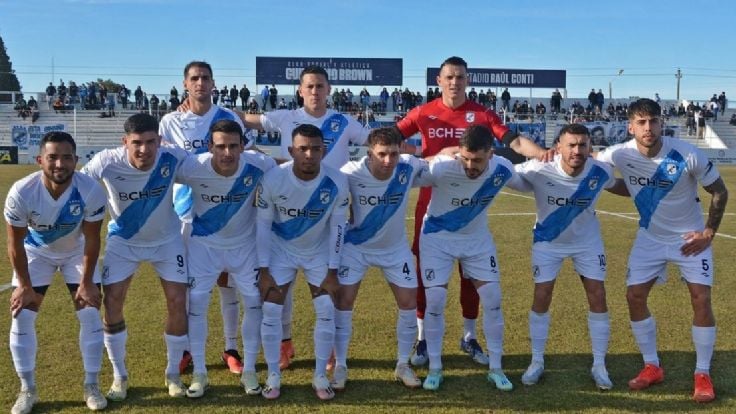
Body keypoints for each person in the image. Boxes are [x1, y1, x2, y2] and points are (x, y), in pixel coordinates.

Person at [395, 56, 549, 368]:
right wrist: (426, 154)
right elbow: (390, 140)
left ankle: (469, 335)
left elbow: (514, 141)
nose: (455, 82)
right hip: (432, 205)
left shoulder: (481, 114)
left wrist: (544, 154)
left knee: (472, 275)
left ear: (468, 80)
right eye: (449, 77)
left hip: (471, 206)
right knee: (428, 279)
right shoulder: (423, 112)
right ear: (438, 81)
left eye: (460, 77)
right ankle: (424, 339)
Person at [596, 98, 729, 403]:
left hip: (689, 239)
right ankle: (652, 365)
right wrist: (605, 183)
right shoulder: (619, 153)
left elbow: (719, 190)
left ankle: (702, 372)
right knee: (634, 296)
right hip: (650, 238)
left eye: (653, 121)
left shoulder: (686, 153)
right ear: (630, 127)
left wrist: (708, 232)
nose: (648, 128)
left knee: (701, 298)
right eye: (641, 122)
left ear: (661, 123)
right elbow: (622, 182)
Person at [240, 65, 369, 369]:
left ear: (329, 90)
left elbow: (374, 141)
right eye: (309, 86)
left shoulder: (343, 121)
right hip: (287, 212)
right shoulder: (285, 117)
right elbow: (243, 120)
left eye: (320, 86)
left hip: (326, 215)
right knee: (281, 292)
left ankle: (332, 349)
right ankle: (285, 344)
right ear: (300, 90)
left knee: (327, 287)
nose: (314, 91)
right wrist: (198, 107)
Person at [81, 113, 190, 400]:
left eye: (151, 142)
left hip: (168, 241)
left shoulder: (174, 158)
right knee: (113, 302)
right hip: (123, 242)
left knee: (179, 302)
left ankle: (173, 374)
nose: (145, 150)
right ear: (124, 142)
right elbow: (79, 186)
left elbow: (209, 170)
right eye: (137, 143)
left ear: (160, 140)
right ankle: (120, 376)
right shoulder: (106, 161)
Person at [508, 124, 624, 390]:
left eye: (582, 145)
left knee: (598, 295)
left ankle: (599, 364)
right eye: (571, 145)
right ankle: (536, 362)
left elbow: (617, 185)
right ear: (558, 146)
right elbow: (506, 175)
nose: (576, 150)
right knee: (542, 295)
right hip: (548, 242)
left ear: (589, 148)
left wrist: (653, 191)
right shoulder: (538, 169)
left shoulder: (601, 171)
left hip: (587, 242)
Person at [159, 61, 252, 376]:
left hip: (226, 211)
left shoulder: (227, 118)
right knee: (190, 289)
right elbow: (167, 164)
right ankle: (186, 350)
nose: (200, 83)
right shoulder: (170, 121)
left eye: (206, 78)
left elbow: (244, 159)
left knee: (228, 284)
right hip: (186, 214)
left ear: (214, 83)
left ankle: (231, 348)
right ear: (185, 83)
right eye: (194, 78)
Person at [5, 132, 108, 414]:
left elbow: (92, 240)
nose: (59, 164)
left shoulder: (91, 190)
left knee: (89, 312)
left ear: (76, 160)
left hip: (77, 251)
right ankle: (28, 389)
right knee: (22, 313)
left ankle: (92, 384)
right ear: (40, 160)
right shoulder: (22, 192)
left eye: (66, 157)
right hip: (37, 252)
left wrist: (87, 282)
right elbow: (14, 244)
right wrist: (23, 285)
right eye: (52, 157)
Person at [176, 119, 276, 398]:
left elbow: (286, 174)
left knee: (254, 304)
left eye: (234, 146)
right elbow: (155, 175)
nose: (227, 153)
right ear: (210, 147)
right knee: (196, 306)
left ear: (244, 146)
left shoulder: (259, 165)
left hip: (245, 248)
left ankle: (250, 371)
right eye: (220, 146)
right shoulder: (192, 167)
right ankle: (199, 374)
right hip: (202, 248)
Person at [417, 125, 515, 391]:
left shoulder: (502, 168)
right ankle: (435, 368)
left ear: (490, 154)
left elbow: (531, 181)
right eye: (466, 159)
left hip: (477, 241)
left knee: (493, 299)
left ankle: (496, 368)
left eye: (477, 160)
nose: (470, 166)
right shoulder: (442, 167)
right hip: (437, 239)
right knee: (435, 300)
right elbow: (407, 173)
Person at [255, 124, 349, 400]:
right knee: (271, 311)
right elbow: (262, 227)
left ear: (325, 151)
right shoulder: (273, 179)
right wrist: (263, 270)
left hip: (318, 253)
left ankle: (320, 375)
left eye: (315, 149)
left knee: (325, 309)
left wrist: (332, 270)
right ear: (290, 151)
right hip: (279, 252)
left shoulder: (337, 182)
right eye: (302, 149)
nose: (309, 154)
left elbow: (338, 229)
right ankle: (273, 374)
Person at [332, 127, 431, 391]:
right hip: (357, 247)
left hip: (395, 250)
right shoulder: (350, 172)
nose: (388, 160)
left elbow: (435, 162)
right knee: (344, 302)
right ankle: (340, 365)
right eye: (382, 154)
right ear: (370, 153)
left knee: (408, 303)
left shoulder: (408, 167)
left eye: (394, 154)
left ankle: (402, 364)